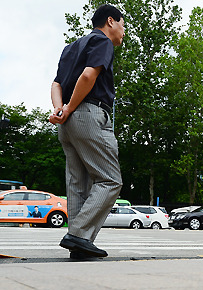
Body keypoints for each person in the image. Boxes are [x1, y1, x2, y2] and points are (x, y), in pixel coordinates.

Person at [49, 4, 125, 259]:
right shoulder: (102, 41)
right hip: (89, 114)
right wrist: (70, 108)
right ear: (111, 21)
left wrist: (60, 110)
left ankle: (79, 246)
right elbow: (88, 76)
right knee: (110, 179)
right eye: (123, 25)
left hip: (68, 124)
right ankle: (78, 235)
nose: (123, 32)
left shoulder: (71, 47)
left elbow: (56, 83)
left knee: (78, 184)